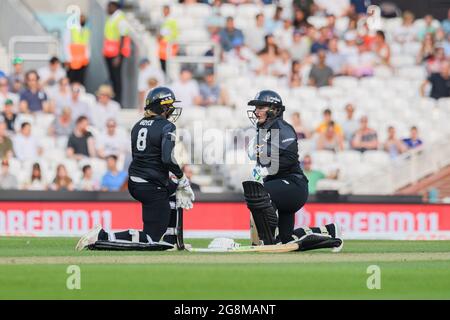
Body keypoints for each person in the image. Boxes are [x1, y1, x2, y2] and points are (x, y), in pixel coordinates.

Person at [76, 87, 195, 251]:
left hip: (137, 181)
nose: (172, 110)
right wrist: (182, 178)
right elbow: (167, 158)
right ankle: (103, 236)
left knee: (174, 191)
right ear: (163, 107)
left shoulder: (138, 125)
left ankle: (172, 241)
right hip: (151, 185)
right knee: (150, 238)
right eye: (170, 106)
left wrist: (174, 183)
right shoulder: (167, 126)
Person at [245, 90, 343, 250]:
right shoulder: (263, 132)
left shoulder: (284, 129)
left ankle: (265, 240)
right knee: (286, 241)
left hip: (293, 185)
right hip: (282, 187)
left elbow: (288, 159)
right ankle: (331, 230)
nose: (256, 111)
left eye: (260, 107)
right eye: (256, 107)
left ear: (274, 109)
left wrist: (267, 168)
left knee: (260, 193)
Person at [103, 1, 131, 103]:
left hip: (116, 54)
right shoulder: (111, 18)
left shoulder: (120, 19)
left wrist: (118, 56)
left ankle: (118, 100)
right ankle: (114, 97)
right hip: (109, 53)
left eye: (109, 6)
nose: (107, 9)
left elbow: (123, 37)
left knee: (117, 77)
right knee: (112, 77)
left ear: (114, 6)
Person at [64, 14, 91, 85]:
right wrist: (68, 58)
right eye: (81, 18)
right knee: (71, 79)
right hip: (73, 61)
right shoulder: (71, 30)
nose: (83, 20)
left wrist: (87, 57)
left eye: (84, 19)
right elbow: (66, 44)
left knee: (81, 80)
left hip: (82, 61)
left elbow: (87, 45)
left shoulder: (86, 31)